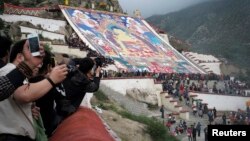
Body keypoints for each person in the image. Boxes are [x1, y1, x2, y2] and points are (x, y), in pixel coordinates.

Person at [0, 39, 68, 141]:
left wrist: (28, 110)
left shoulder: (15, 74)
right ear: (19, 57)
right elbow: (24, 95)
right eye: (33, 57)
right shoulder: (9, 70)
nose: (39, 65)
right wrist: (52, 79)